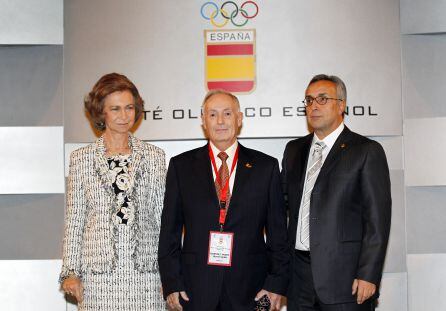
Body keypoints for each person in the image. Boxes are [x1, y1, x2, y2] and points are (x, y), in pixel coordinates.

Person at [158, 90, 289, 311]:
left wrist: (276, 284)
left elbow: (278, 234)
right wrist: (172, 282)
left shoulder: (266, 167)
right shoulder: (181, 166)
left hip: (252, 290)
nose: (220, 121)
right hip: (194, 289)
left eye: (227, 114)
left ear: (239, 119)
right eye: (213, 114)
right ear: (203, 121)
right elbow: (169, 231)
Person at [281, 74, 392, 311]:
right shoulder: (294, 150)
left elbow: (377, 220)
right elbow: (282, 207)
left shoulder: (365, 150)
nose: (314, 106)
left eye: (322, 99)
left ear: (341, 105)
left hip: (346, 279)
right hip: (298, 278)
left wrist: (369, 274)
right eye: (309, 101)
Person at [59, 73, 166, 310]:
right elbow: (75, 220)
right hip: (97, 275)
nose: (124, 115)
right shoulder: (81, 159)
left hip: (147, 273)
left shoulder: (154, 157)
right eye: (115, 109)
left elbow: (162, 219)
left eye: (129, 107)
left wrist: (171, 273)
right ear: (101, 112)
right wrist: (70, 271)